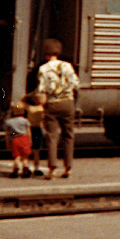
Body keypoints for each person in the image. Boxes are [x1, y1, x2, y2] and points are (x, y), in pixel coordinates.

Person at [37, 39, 79, 179]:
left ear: (46, 53)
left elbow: (42, 89)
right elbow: (75, 83)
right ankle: (68, 168)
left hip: (52, 104)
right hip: (68, 103)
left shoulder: (43, 69)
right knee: (68, 135)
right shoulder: (67, 66)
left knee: (52, 137)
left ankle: (53, 169)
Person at [3, 101, 32, 178]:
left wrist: (8, 141)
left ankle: (15, 170)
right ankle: (25, 169)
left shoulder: (9, 122)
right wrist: (30, 140)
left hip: (15, 139)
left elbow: (7, 133)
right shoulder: (25, 121)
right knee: (25, 156)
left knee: (17, 156)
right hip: (24, 138)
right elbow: (28, 131)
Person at [25, 91, 47, 176]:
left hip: (30, 129)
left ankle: (26, 167)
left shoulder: (29, 107)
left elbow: (22, 101)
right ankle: (36, 167)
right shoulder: (42, 108)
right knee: (37, 150)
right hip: (38, 129)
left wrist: (30, 95)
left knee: (27, 150)